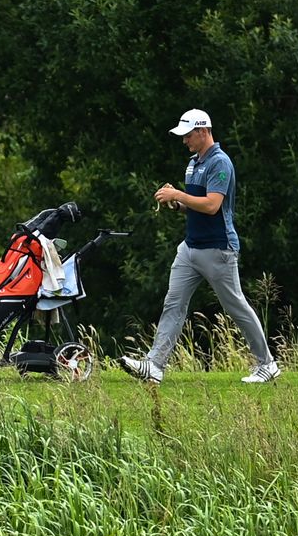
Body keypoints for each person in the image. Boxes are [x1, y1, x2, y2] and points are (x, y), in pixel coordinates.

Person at [119, 108, 279, 385]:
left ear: (203, 131)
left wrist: (177, 193)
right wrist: (177, 204)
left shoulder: (220, 163)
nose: (184, 141)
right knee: (173, 303)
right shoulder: (194, 163)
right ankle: (155, 365)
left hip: (218, 249)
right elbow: (195, 206)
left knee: (235, 306)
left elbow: (212, 205)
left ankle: (267, 364)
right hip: (190, 249)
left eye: (188, 135)